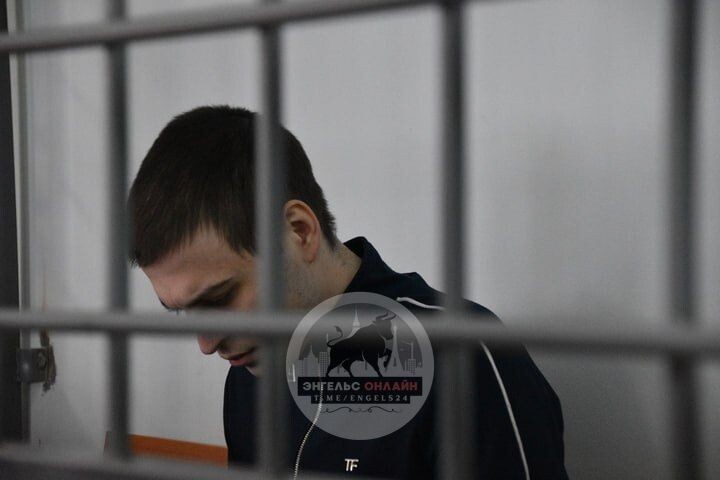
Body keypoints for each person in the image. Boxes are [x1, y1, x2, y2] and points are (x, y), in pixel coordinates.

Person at [128, 105, 568, 479]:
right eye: (182, 311)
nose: (207, 345)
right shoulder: (248, 368)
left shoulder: (462, 356)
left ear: (299, 231)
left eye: (219, 298)